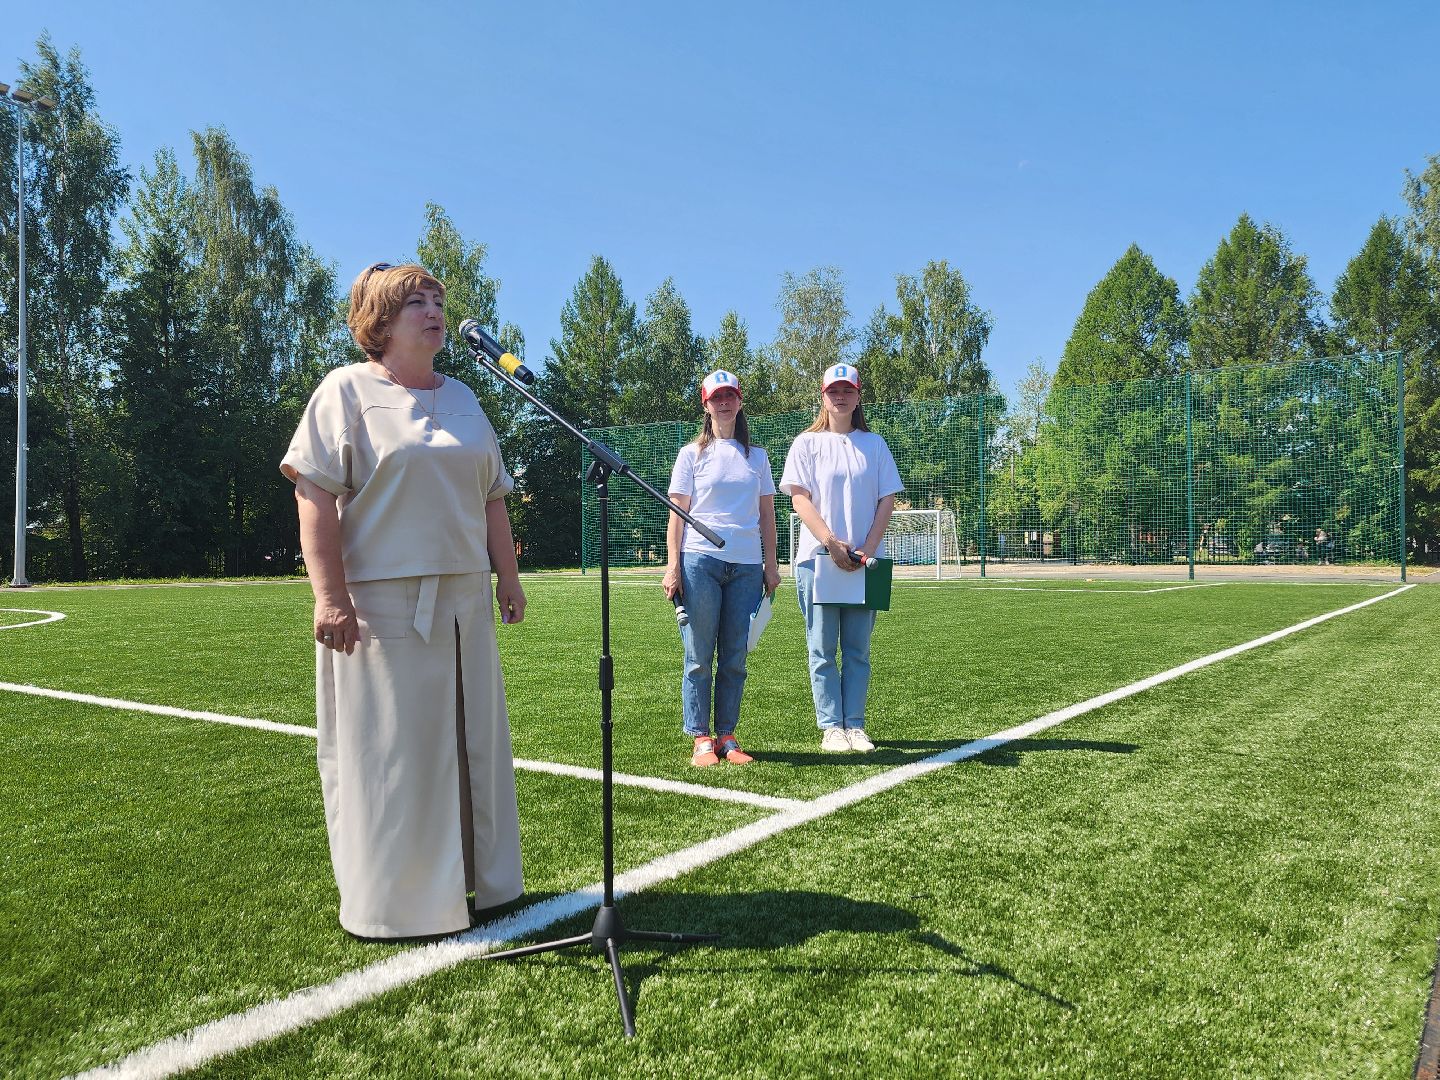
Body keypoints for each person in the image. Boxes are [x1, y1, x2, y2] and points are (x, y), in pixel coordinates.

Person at [280, 262, 525, 939]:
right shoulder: (345, 392)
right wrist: (329, 597)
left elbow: (493, 498)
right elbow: (315, 495)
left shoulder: (468, 398)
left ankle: (480, 884)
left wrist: (507, 576)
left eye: (437, 300)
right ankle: (399, 902)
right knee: (395, 756)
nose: (433, 310)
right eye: (415, 301)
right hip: (383, 606)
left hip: (466, 600)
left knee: (473, 746)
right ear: (379, 322)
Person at [780, 363, 903, 754]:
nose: (840, 396)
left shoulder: (875, 444)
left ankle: (856, 726)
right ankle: (831, 726)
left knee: (857, 650)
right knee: (821, 648)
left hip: (865, 563)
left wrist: (868, 545)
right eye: (834, 390)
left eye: (847, 390)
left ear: (858, 395)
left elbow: (887, 499)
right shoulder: (806, 444)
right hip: (817, 559)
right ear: (823, 396)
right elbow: (800, 498)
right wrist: (831, 541)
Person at [663, 370, 780, 767]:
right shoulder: (690, 454)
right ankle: (700, 737)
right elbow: (677, 516)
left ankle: (727, 735)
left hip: (746, 566)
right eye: (717, 397)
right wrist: (672, 565)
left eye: (730, 396)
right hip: (700, 562)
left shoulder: (758, 456)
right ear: (705, 403)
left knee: (734, 657)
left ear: (740, 402)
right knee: (698, 655)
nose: (724, 402)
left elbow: (767, 515)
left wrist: (771, 564)